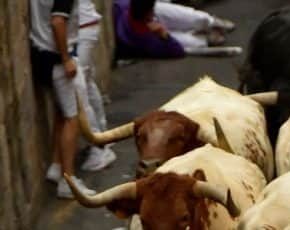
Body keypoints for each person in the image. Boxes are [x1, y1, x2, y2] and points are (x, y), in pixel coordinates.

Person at [28, 0, 94, 199]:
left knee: (61, 111)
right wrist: (66, 59)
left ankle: (57, 166)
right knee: (71, 119)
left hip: (39, 52)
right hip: (56, 59)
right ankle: (69, 181)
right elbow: (58, 22)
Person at [113, 0, 241, 59]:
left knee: (181, 14)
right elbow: (177, 51)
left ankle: (211, 22)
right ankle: (205, 39)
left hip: (148, 17)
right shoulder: (142, 39)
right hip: (158, 35)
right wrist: (163, 34)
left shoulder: (125, 5)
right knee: (189, 43)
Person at [76, 0, 116, 173]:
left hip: (81, 27)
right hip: (85, 25)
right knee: (87, 84)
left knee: (78, 91)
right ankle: (103, 134)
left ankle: (99, 148)